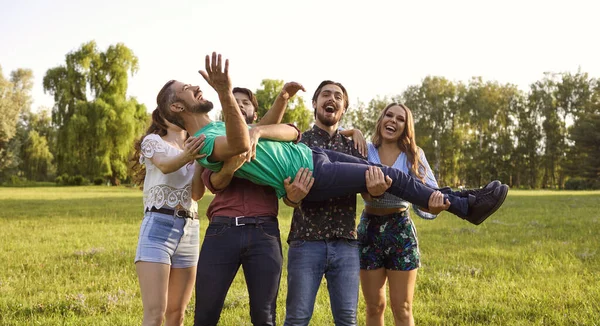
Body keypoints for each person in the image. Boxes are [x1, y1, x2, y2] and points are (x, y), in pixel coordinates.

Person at [156, 53, 508, 228]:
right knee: (392, 177)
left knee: (385, 173)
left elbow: (276, 131)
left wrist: (259, 129)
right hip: (312, 177)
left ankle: (466, 197)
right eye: (185, 89)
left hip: (312, 154)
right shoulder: (202, 144)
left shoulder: (217, 125)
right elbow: (236, 144)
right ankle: (465, 208)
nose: (193, 86)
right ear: (176, 106)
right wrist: (225, 93)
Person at [187, 84, 313, 326]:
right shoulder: (216, 140)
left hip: (264, 233)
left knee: (264, 317)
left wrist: (295, 198)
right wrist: (231, 165)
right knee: (205, 313)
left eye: (246, 103)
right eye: (235, 102)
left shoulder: (268, 141)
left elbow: (289, 194)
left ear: (255, 114)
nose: (240, 106)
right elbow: (210, 184)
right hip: (222, 231)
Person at [280, 79, 372, 326]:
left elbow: (369, 190)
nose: (331, 100)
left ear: (344, 108)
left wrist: (373, 186)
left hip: (346, 242)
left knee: (346, 317)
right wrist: (291, 197)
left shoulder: (356, 147)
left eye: (338, 97)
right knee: (297, 316)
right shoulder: (299, 143)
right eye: (325, 96)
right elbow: (287, 197)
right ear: (315, 104)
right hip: (306, 240)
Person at [357, 103, 451, 326]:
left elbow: (430, 200)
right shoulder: (364, 151)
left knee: (403, 307)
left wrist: (433, 206)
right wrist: (352, 130)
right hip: (370, 229)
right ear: (381, 120)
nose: (393, 121)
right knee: (374, 306)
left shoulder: (415, 156)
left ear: (405, 126)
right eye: (389, 115)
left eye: (400, 119)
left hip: (400, 229)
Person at [130, 109, 206, 326]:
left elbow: (197, 193)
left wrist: (199, 160)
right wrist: (191, 154)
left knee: (177, 312)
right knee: (155, 314)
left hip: (190, 227)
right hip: (157, 226)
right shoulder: (153, 142)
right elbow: (164, 166)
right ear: (164, 111)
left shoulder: (194, 144)